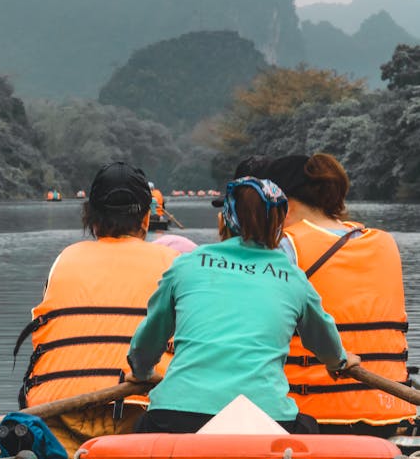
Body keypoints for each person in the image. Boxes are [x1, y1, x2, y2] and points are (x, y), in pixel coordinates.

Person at [127, 175, 359, 434]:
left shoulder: (185, 265)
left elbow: (148, 340)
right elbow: (326, 343)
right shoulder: (293, 278)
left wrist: (142, 371)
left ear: (222, 220)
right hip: (266, 421)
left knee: (141, 426)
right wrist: (338, 361)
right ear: (279, 227)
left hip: (176, 417)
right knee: (308, 428)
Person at [15, 161, 178, 456]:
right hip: (142, 418)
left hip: (57, 416)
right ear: (145, 218)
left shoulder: (63, 261)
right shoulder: (173, 263)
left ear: (92, 220)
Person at [267, 153, 416, 435]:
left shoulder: (285, 247)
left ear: (281, 203)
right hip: (392, 412)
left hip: (310, 418)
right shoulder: (385, 242)